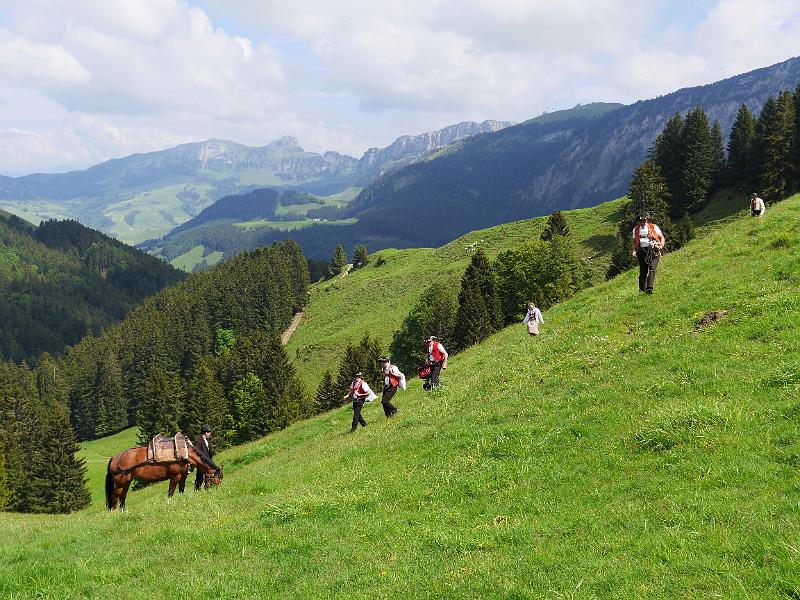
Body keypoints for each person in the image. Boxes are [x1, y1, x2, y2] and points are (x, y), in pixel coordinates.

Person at [631, 214, 666, 294]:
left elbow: (661, 237)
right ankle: (642, 290)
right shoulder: (635, 230)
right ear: (638, 222)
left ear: (646, 220)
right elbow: (633, 241)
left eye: (644, 220)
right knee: (643, 271)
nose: (643, 222)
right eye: (641, 221)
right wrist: (634, 250)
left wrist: (661, 245)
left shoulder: (653, 227)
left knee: (652, 267)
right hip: (641, 251)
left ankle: (649, 288)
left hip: (653, 250)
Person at [193, 423, 214, 491]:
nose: (210, 434)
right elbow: (195, 453)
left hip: (208, 462)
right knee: (199, 477)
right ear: (206, 432)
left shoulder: (207, 441)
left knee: (208, 476)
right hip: (201, 463)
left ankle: (207, 488)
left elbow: (210, 452)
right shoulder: (198, 441)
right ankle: (197, 489)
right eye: (209, 432)